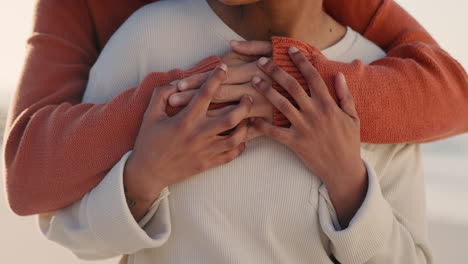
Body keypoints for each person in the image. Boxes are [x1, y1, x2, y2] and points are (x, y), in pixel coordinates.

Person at [37, 0, 446, 263]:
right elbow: (69, 232)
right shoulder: (148, 37)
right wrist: (143, 178)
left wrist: (347, 181)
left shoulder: (383, 81)